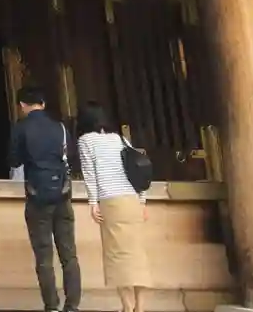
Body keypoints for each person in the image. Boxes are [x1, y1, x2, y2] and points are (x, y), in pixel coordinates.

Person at [9, 85, 81, 312]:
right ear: (43, 103)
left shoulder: (21, 128)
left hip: (37, 197)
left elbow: (14, 160)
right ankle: (73, 305)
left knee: (44, 256)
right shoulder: (60, 127)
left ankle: (51, 306)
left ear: (22, 105)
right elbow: (71, 156)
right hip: (62, 195)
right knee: (69, 254)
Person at [76, 103, 149, 312]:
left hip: (111, 201)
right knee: (137, 254)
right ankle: (140, 307)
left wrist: (93, 203)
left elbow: (90, 175)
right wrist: (142, 201)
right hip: (132, 200)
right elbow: (138, 171)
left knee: (117, 256)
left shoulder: (86, 141)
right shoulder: (120, 139)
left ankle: (127, 307)